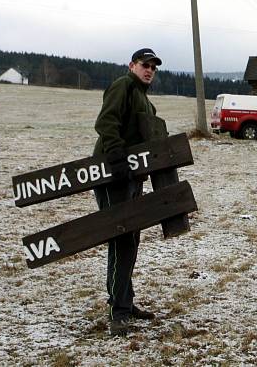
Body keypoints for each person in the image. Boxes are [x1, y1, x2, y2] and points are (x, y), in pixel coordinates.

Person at [94, 48, 162, 336]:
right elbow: (106, 122)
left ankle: (125, 300)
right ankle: (118, 310)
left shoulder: (143, 97)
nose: (149, 70)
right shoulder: (123, 86)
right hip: (113, 175)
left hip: (132, 177)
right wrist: (117, 158)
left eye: (153, 67)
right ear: (132, 65)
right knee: (121, 239)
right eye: (144, 65)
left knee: (130, 239)